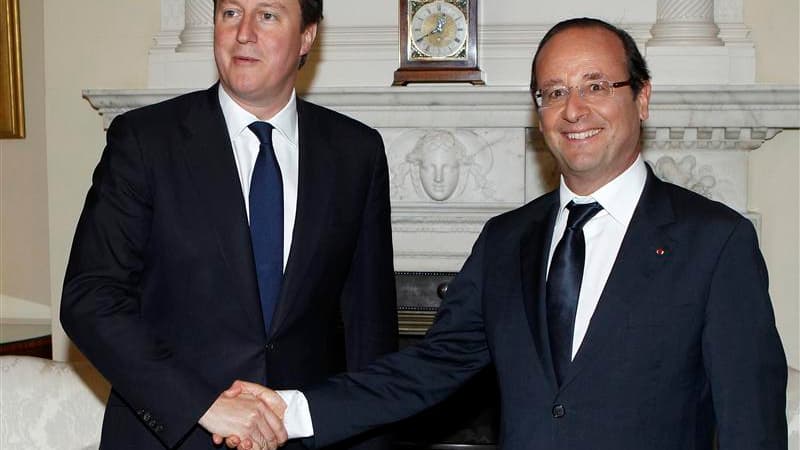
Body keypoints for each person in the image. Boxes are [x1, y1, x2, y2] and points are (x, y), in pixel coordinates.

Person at [225, 17, 789, 449]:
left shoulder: (716, 244)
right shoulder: (505, 241)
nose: (574, 110)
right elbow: (427, 369)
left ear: (640, 97)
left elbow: (751, 427)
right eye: (553, 92)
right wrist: (290, 411)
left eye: (596, 85)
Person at [59, 0, 398, 449]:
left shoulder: (357, 153)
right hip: (172, 437)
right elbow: (90, 299)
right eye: (231, 13)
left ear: (307, 36)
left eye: (268, 15)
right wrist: (204, 405)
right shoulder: (145, 142)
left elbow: (370, 333)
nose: (244, 33)